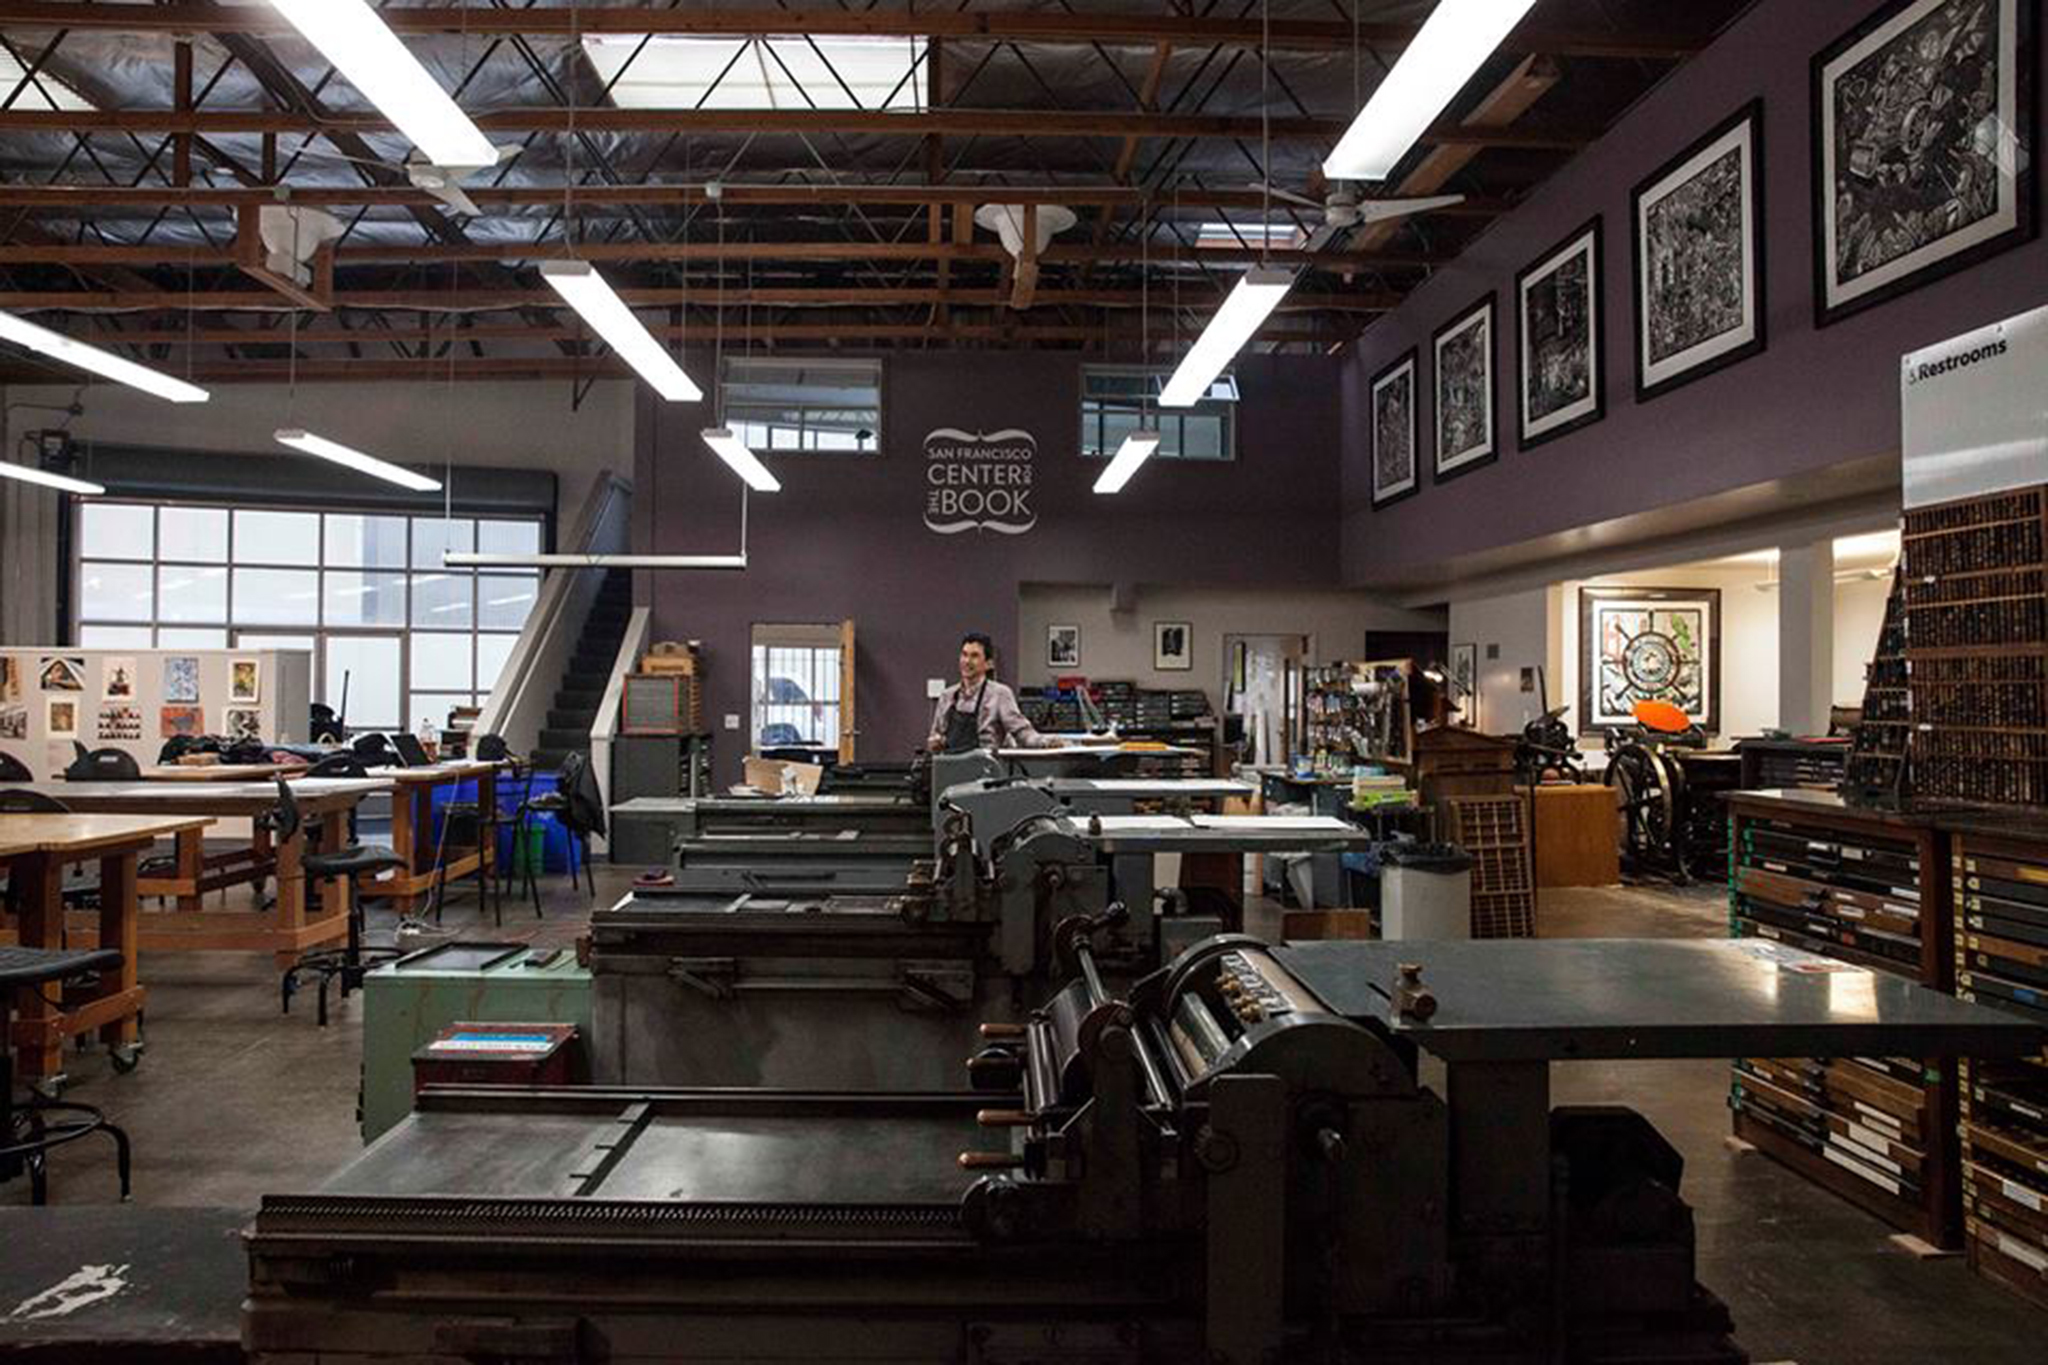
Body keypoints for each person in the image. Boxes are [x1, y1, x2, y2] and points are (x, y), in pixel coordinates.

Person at [927, 632, 1053, 754]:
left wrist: (1045, 743)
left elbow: (1022, 732)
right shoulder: (947, 696)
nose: (967, 661)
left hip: (986, 771)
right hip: (950, 769)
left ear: (989, 664)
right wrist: (935, 743)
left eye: (974, 656)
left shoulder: (999, 694)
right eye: (964, 655)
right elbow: (935, 736)